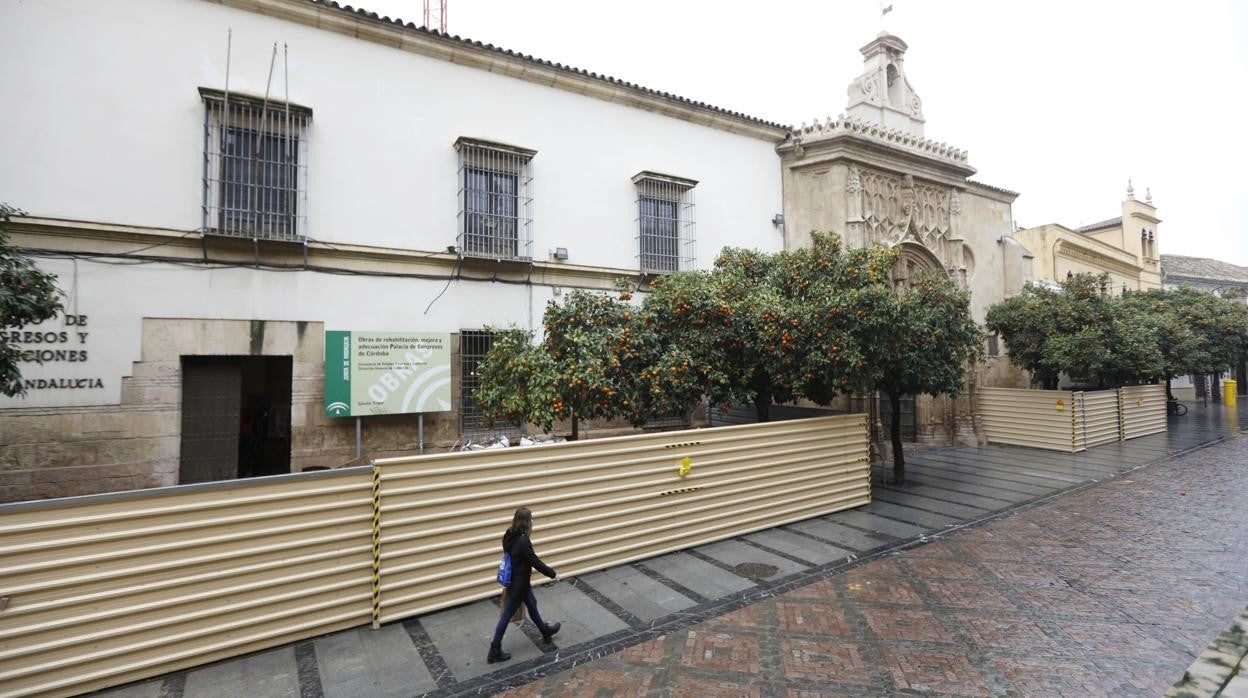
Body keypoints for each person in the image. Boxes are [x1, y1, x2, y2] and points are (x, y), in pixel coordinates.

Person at [487, 507, 561, 663]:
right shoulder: (522, 541)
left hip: (519, 581)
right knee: (506, 615)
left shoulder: (509, 535)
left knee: (532, 605)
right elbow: (535, 561)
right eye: (531, 518)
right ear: (526, 521)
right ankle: (494, 649)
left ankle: (544, 631)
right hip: (518, 585)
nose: (532, 521)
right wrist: (553, 574)